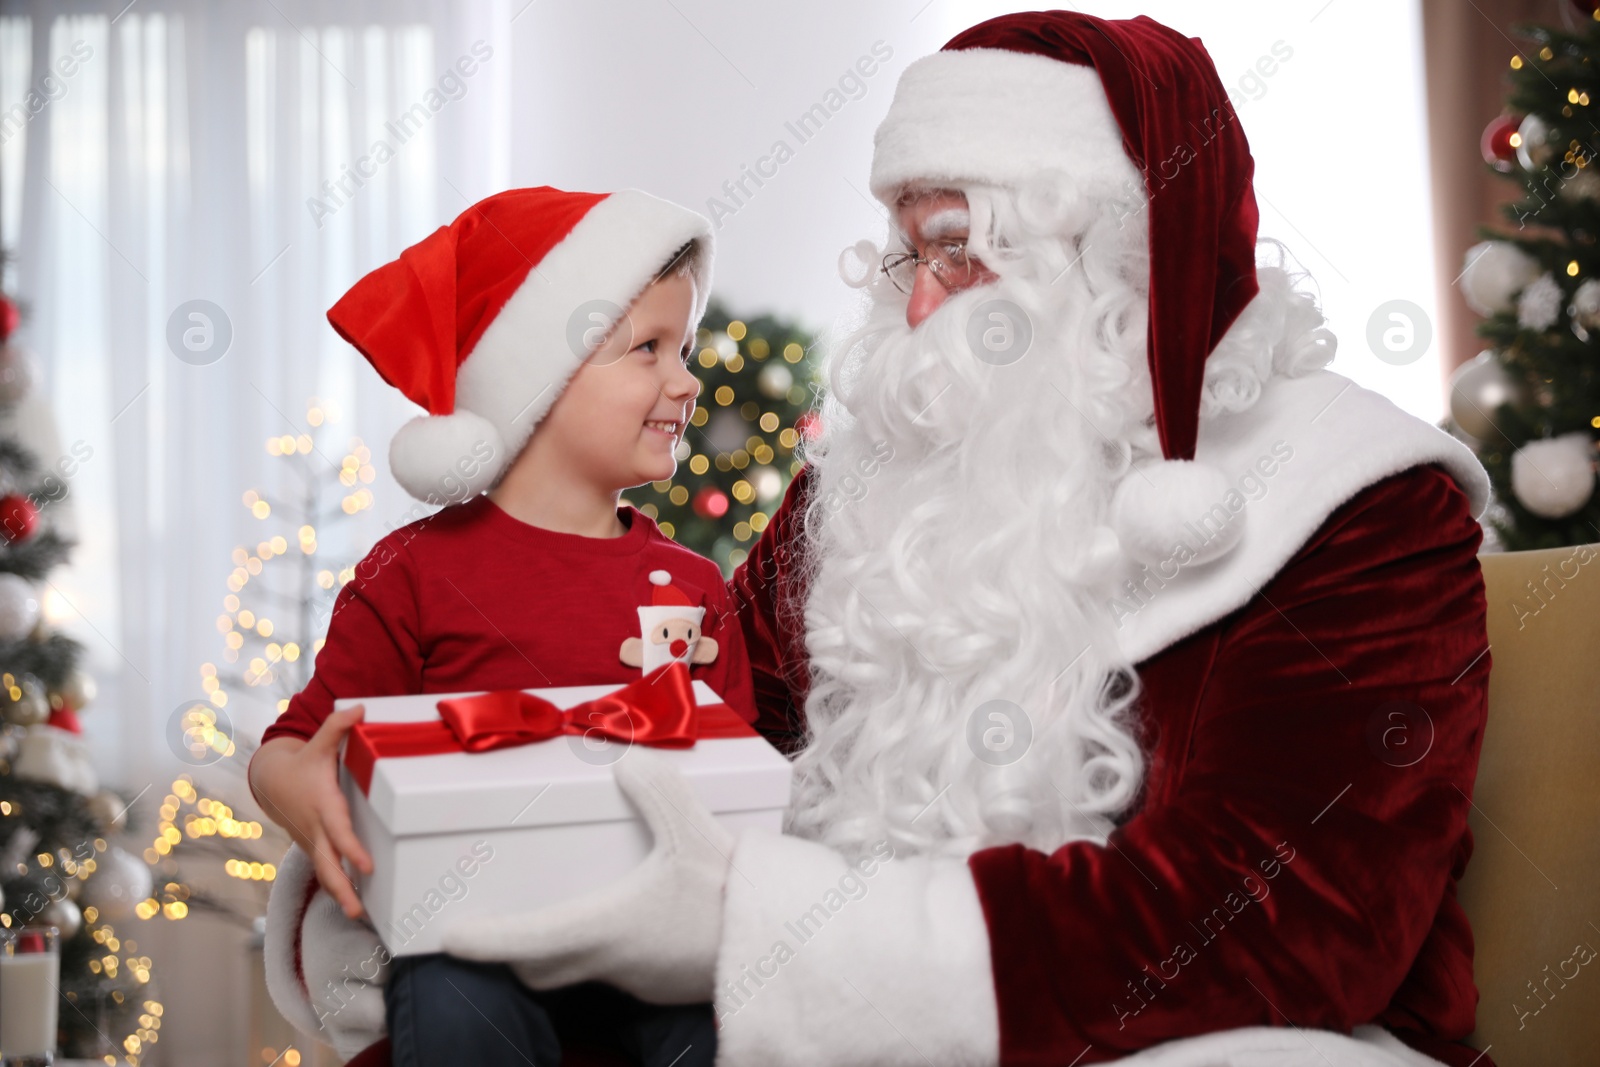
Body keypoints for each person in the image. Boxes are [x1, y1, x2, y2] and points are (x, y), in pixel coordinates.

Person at [436, 14, 1498, 1067]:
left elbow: (1288, 924)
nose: (914, 314)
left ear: (1115, 256)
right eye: (906, 257)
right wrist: (411, 838)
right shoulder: (870, 486)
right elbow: (698, 725)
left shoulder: (1356, 496)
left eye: (957, 252)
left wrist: (754, 923)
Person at [252, 186, 754, 1067]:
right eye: (648, 350)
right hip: (471, 936)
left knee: (713, 1024)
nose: (686, 380)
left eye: (686, 348)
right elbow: (294, 745)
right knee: (453, 1000)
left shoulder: (693, 586)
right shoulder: (411, 574)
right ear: (539, 381)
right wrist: (293, 786)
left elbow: (735, 789)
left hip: (652, 943)